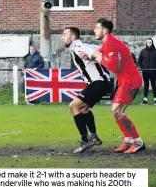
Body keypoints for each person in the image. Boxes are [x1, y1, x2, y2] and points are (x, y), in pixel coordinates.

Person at [92, 18, 145, 154]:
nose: (94, 30)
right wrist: (92, 55)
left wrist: (99, 57)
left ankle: (138, 142)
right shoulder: (107, 43)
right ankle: (128, 140)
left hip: (130, 81)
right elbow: (100, 53)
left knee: (116, 110)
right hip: (125, 81)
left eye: (97, 28)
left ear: (104, 30)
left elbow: (114, 67)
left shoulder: (111, 43)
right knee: (117, 112)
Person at [62, 27, 109, 153]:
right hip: (99, 82)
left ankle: (85, 140)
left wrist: (96, 57)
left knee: (73, 106)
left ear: (73, 37)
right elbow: (99, 49)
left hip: (99, 82)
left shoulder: (78, 46)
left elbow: (96, 54)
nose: (62, 37)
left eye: (65, 34)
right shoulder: (79, 46)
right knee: (83, 109)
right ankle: (94, 137)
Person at [138, 38, 156, 105]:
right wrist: (142, 68)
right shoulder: (143, 51)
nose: (149, 43)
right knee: (146, 85)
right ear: (146, 43)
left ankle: (155, 100)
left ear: (152, 43)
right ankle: (145, 100)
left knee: (154, 85)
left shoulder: (155, 51)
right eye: (148, 42)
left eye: (150, 42)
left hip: (154, 72)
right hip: (145, 72)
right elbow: (139, 61)